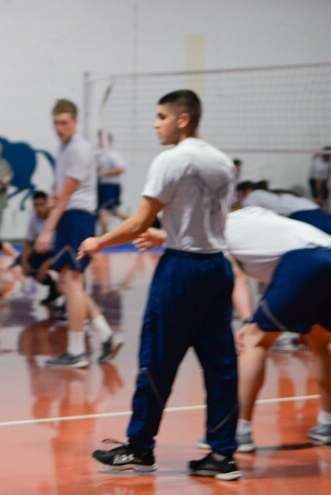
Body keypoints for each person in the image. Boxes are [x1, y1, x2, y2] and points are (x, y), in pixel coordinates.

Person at [83, 90, 241, 480]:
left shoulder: (171, 160)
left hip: (182, 272)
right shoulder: (222, 162)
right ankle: (223, 456)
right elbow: (207, 218)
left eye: (161, 117)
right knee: (221, 366)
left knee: (157, 359)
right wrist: (166, 234)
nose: (156, 124)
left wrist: (99, 242)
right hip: (217, 267)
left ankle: (139, 448)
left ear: (182, 119)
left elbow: (137, 222)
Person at [136, 206, 331, 452]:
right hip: (327, 251)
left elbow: (237, 278)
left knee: (253, 341)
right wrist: (163, 236)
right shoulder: (247, 215)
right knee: (319, 340)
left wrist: (249, 321)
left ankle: (239, 430)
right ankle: (327, 423)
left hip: (304, 262)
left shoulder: (211, 235)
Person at [36, 99, 120, 369]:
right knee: (66, 283)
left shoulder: (79, 149)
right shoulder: (65, 147)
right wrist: (52, 188)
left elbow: (65, 197)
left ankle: (76, 351)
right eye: (55, 123)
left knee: (71, 283)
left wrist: (46, 230)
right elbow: (61, 185)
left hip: (77, 218)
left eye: (64, 123)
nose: (59, 128)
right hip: (71, 217)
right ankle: (106, 335)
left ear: (75, 121)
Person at [19, 191, 61, 307]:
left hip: (59, 252)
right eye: (35, 205)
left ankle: (68, 300)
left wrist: (47, 264)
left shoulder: (57, 217)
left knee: (67, 271)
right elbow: (29, 242)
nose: (38, 208)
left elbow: (64, 247)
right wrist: (24, 262)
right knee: (25, 262)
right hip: (44, 251)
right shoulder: (34, 218)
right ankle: (53, 289)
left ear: (48, 203)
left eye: (41, 205)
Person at [238, 183, 331, 234]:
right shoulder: (272, 191)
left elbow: (246, 214)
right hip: (315, 211)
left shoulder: (255, 194)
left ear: (247, 190)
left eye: (238, 195)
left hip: (303, 215)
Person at [96, 131, 129, 235]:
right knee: (113, 211)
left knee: (104, 210)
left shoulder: (112, 154)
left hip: (111, 187)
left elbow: (122, 169)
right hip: (103, 186)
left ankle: (104, 235)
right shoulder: (100, 154)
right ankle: (134, 225)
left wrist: (105, 172)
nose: (100, 141)